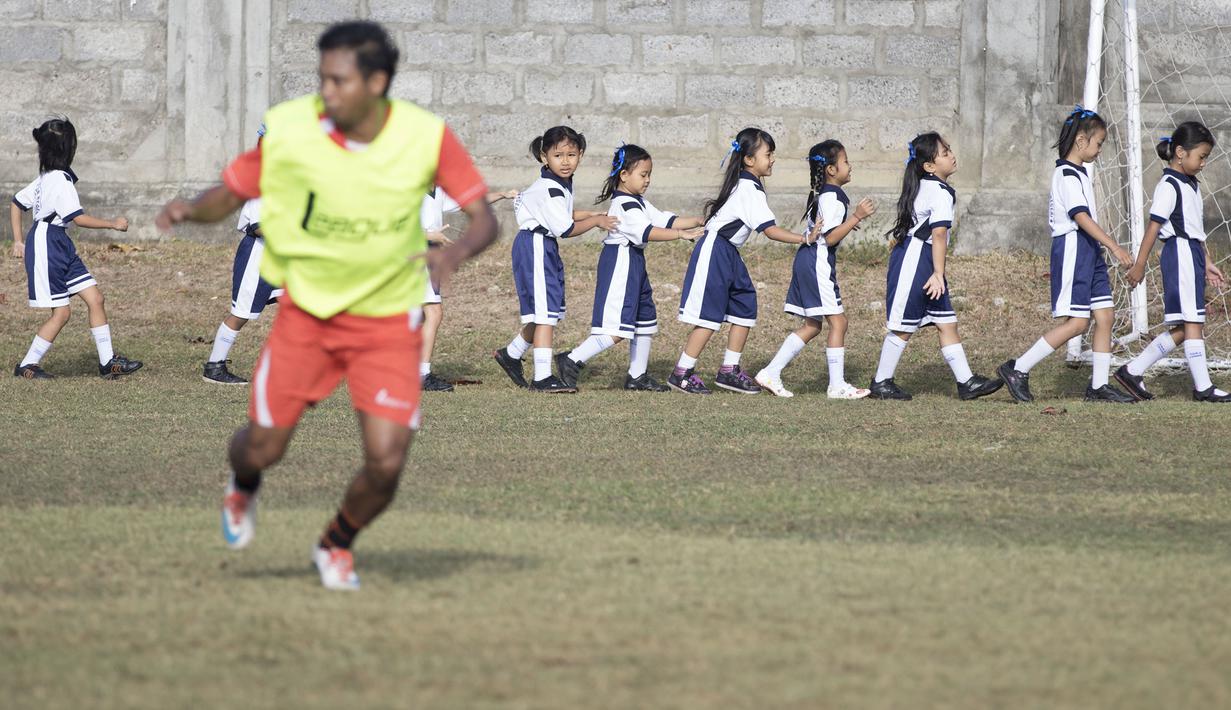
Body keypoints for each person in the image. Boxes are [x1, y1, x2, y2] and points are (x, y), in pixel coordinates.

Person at [155, 21, 498, 590]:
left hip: (388, 323)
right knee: (263, 447)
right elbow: (233, 191)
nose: (326, 92)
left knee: (388, 461)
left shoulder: (424, 135)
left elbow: (486, 217)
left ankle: (336, 543)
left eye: (338, 81)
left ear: (377, 81)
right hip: (307, 319)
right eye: (322, 79)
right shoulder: (294, 128)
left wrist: (454, 253)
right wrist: (192, 209)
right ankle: (243, 485)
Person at [998, 106, 1136, 403]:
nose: (1100, 150)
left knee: (1106, 316)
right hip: (1075, 248)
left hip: (1090, 250)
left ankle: (1098, 386)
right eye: (1099, 143)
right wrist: (1114, 245)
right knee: (1077, 323)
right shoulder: (1066, 174)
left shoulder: (1081, 173)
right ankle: (1018, 369)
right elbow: (1081, 217)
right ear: (1081, 141)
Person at [669, 128, 819, 395]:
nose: (772, 159)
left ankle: (729, 370)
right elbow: (770, 230)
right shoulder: (749, 188)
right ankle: (681, 372)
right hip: (716, 251)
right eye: (768, 154)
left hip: (729, 253)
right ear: (749, 159)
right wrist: (804, 238)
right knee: (709, 317)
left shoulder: (748, 185)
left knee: (744, 305)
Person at [554, 143, 703, 391]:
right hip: (620, 262)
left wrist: (698, 220)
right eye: (643, 174)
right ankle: (571, 359)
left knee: (645, 320)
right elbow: (647, 232)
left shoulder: (639, 202)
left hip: (635, 263)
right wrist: (680, 235)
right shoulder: (625, 205)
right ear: (624, 175)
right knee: (617, 327)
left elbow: (665, 219)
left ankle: (637, 376)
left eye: (649, 175)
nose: (647, 180)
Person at [870, 132, 1001, 401]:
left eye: (949, 150)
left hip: (926, 260)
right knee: (903, 327)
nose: (951, 155)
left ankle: (966, 382)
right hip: (917, 262)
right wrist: (938, 273)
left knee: (946, 322)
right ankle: (881, 382)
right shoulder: (939, 191)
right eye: (944, 153)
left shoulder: (929, 186)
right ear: (929, 166)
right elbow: (938, 234)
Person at [11, 116, 142, 380]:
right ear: (68, 148)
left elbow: (16, 203)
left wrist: (18, 239)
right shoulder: (58, 179)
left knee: (96, 298)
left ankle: (107, 363)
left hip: (59, 243)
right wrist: (112, 224)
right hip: (48, 244)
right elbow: (77, 218)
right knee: (62, 312)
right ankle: (27, 364)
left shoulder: (47, 177)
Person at [492, 125, 618, 393]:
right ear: (544, 156)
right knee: (545, 314)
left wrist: (597, 214)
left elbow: (567, 214)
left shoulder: (560, 184)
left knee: (547, 311)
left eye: (571, 155)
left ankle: (511, 354)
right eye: (558, 155)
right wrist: (596, 221)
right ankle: (542, 378)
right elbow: (566, 229)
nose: (565, 161)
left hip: (543, 246)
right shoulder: (549, 188)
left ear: (580, 155)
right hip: (536, 245)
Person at [1117, 121, 1230, 402]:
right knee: (1193, 323)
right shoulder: (1169, 185)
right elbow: (1154, 228)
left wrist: (1207, 262)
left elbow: (1193, 230)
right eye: (1201, 156)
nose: (1203, 163)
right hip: (1178, 254)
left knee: (1184, 329)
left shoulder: (1191, 184)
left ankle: (1133, 370)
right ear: (1180, 152)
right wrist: (1140, 264)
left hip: (1191, 254)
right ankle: (1203, 388)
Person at [755, 139, 874, 399]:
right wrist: (856, 217)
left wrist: (846, 224)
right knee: (839, 321)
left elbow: (827, 231)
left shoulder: (826, 195)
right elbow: (829, 238)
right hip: (817, 262)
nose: (849, 166)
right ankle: (837, 385)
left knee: (812, 325)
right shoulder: (834, 197)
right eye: (845, 161)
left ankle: (770, 372)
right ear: (831, 170)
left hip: (807, 259)